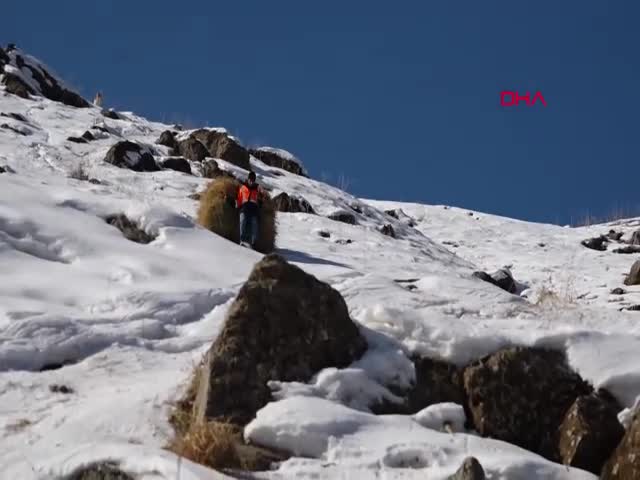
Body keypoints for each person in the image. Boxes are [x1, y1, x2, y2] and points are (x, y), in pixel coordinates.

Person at [236, 171, 261, 248]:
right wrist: (238, 206)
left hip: (253, 209)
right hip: (244, 208)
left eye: (253, 180)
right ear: (248, 179)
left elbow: (261, 197)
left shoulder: (257, 188)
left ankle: (253, 243)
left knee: (254, 224)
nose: (251, 181)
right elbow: (239, 198)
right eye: (250, 179)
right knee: (242, 220)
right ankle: (242, 240)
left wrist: (261, 202)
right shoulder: (243, 187)